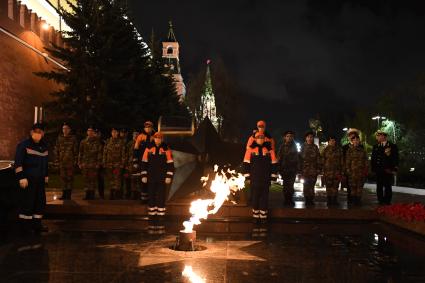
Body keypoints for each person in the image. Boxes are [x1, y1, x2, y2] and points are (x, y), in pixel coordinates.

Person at [14, 123, 49, 233]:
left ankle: (37, 225)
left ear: (43, 133)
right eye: (36, 131)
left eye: (40, 132)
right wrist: (21, 177)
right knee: (28, 203)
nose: (38, 134)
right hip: (28, 179)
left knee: (40, 202)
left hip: (40, 180)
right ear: (31, 132)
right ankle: (25, 227)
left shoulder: (44, 146)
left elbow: (45, 163)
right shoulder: (24, 145)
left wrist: (46, 175)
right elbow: (18, 162)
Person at [141, 132, 174, 229]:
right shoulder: (148, 148)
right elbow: (144, 162)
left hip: (162, 177)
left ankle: (160, 216)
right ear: (154, 139)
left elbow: (170, 163)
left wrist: (169, 176)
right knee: (151, 195)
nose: (158, 140)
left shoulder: (166, 149)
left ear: (162, 139)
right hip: (151, 176)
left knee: (160, 195)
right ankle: (152, 215)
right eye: (156, 138)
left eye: (160, 138)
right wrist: (144, 174)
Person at [243, 132, 278, 223]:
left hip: (265, 179)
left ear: (265, 139)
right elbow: (246, 164)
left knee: (264, 198)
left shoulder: (270, 150)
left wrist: (273, 177)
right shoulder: (250, 150)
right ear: (255, 138)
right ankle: (255, 216)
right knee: (255, 198)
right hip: (254, 179)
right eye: (259, 137)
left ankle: (263, 216)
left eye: (262, 137)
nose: (260, 139)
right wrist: (247, 177)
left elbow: (274, 164)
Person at [371, 130, 399, 205]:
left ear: (384, 136)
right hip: (379, 170)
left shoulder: (392, 146)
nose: (377, 137)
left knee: (387, 186)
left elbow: (395, 158)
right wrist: (373, 169)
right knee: (379, 186)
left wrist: (395, 168)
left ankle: (387, 201)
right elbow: (373, 158)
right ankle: (380, 200)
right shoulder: (376, 146)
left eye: (379, 136)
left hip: (388, 170)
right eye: (377, 136)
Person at [54, 122, 78, 200]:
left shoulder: (73, 138)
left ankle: (68, 195)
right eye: (63, 128)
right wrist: (57, 160)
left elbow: (75, 151)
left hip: (70, 162)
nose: (65, 130)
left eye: (66, 128)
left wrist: (75, 160)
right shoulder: (59, 138)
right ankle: (64, 194)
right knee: (63, 178)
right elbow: (56, 149)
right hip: (62, 162)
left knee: (70, 179)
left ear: (69, 130)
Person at [78, 126, 103, 200]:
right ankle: (87, 194)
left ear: (93, 132)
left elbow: (99, 153)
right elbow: (80, 152)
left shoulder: (97, 142)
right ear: (87, 132)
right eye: (88, 131)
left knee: (92, 180)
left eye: (91, 131)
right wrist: (79, 162)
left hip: (93, 164)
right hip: (85, 164)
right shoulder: (83, 142)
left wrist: (98, 163)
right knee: (86, 180)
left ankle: (92, 194)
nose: (90, 132)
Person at [134, 121, 155, 203]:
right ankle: (143, 198)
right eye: (146, 127)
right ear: (144, 128)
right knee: (143, 179)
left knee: (152, 179)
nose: (147, 129)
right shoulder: (140, 137)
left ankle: (151, 197)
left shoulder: (155, 136)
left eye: (149, 127)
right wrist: (135, 161)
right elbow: (136, 149)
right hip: (142, 162)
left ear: (152, 128)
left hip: (152, 162)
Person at [103, 127, 127, 200]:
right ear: (111, 133)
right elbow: (105, 153)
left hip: (117, 164)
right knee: (110, 179)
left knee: (117, 180)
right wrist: (104, 162)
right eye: (113, 132)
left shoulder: (121, 142)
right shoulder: (108, 141)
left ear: (117, 133)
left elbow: (123, 154)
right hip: (109, 164)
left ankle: (117, 195)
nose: (114, 133)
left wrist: (122, 164)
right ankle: (111, 194)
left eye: (115, 132)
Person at [345, 133, 368, 205]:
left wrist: (366, 170)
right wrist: (348, 171)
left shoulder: (362, 150)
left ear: (359, 141)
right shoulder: (349, 150)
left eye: (357, 140)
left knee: (359, 188)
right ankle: (353, 201)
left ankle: (358, 201)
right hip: (352, 173)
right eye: (354, 140)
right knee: (353, 188)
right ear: (352, 141)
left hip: (361, 173)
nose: (356, 141)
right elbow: (347, 162)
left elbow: (366, 161)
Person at [277, 130, 299, 206]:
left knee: (291, 186)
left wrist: (297, 169)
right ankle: (286, 200)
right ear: (284, 137)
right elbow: (279, 158)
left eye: (291, 136)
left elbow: (297, 159)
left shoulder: (295, 147)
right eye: (287, 136)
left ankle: (290, 199)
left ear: (293, 137)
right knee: (286, 185)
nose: (289, 138)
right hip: (284, 169)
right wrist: (279, 168)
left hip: (292, 170)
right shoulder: (282, 147)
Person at [299, 131, 320, 206]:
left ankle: (311, 199)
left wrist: (318, 169)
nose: (310, 138)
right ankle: (307, 200)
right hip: (305, 171)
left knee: (312, 186)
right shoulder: (302, 147)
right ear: (306, 138)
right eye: (308, 137)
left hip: (313, 170)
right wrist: (300, 170)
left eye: (311, 137)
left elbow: (318, 159)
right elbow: (300, 159)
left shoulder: (315, 147)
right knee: (306, 186)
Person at [322, 136, 343, 206]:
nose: (332, 142)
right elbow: (322, 161)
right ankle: (329, 200)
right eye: (331, 141)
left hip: (336, 172)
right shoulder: (325, 150)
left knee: (335, 187)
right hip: (327, 172)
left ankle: (334, 200)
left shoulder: (339, 150)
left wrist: (341, 171)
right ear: (328, 142)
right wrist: (323, 170)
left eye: (333, 140)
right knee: (328, 187)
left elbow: (341, 161)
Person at [342, 128, 361, 203]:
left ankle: (357, 200)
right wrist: (344, 170)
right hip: (349, 170)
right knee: (349, 186)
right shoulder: (345, 147)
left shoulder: (361, 147)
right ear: (349, 137)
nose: (352, 137)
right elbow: (343, 159)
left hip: (358, 171)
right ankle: (350, 199)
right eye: (350, 136)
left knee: (358, 187)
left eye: (354, 136)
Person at [125, 130, 141, 200]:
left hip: (139, 164)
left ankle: (139, 194)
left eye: (137, 135)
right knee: (132, 180)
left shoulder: (141, 143)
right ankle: (133, 194)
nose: (135, 136)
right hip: (130, 164)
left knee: (139, 179)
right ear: (132, 136)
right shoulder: (129, 144)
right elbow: (126, 154)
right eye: (134, 135)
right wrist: (126, 164)